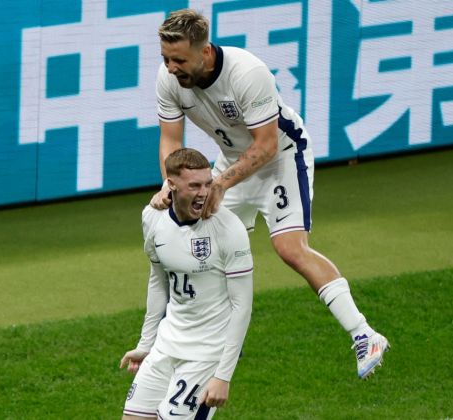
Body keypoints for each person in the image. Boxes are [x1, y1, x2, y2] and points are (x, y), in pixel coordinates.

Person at [150, 9, 388, 379]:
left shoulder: (246, 73)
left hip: (281, 157)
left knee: (290, 248)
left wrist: (221, 184)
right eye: (166, 59)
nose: (171, 68)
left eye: (179, 59)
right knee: (199, 243)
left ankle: (365, 335)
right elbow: (170, 140)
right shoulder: (169, 80)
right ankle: (216, 339)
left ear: (205, 52)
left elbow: (264, 146)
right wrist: (171, 183)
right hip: (232, 161)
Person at [121, 148, 254, 419]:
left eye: (208, 183)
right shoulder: (153, 218)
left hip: (206, 354)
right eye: (194, 185)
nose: (204, 193)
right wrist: (146, 345)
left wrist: (223, 376)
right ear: (171, 185)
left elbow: (242, 306)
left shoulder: (229, 228)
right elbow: (158, 281)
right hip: (166, 344)